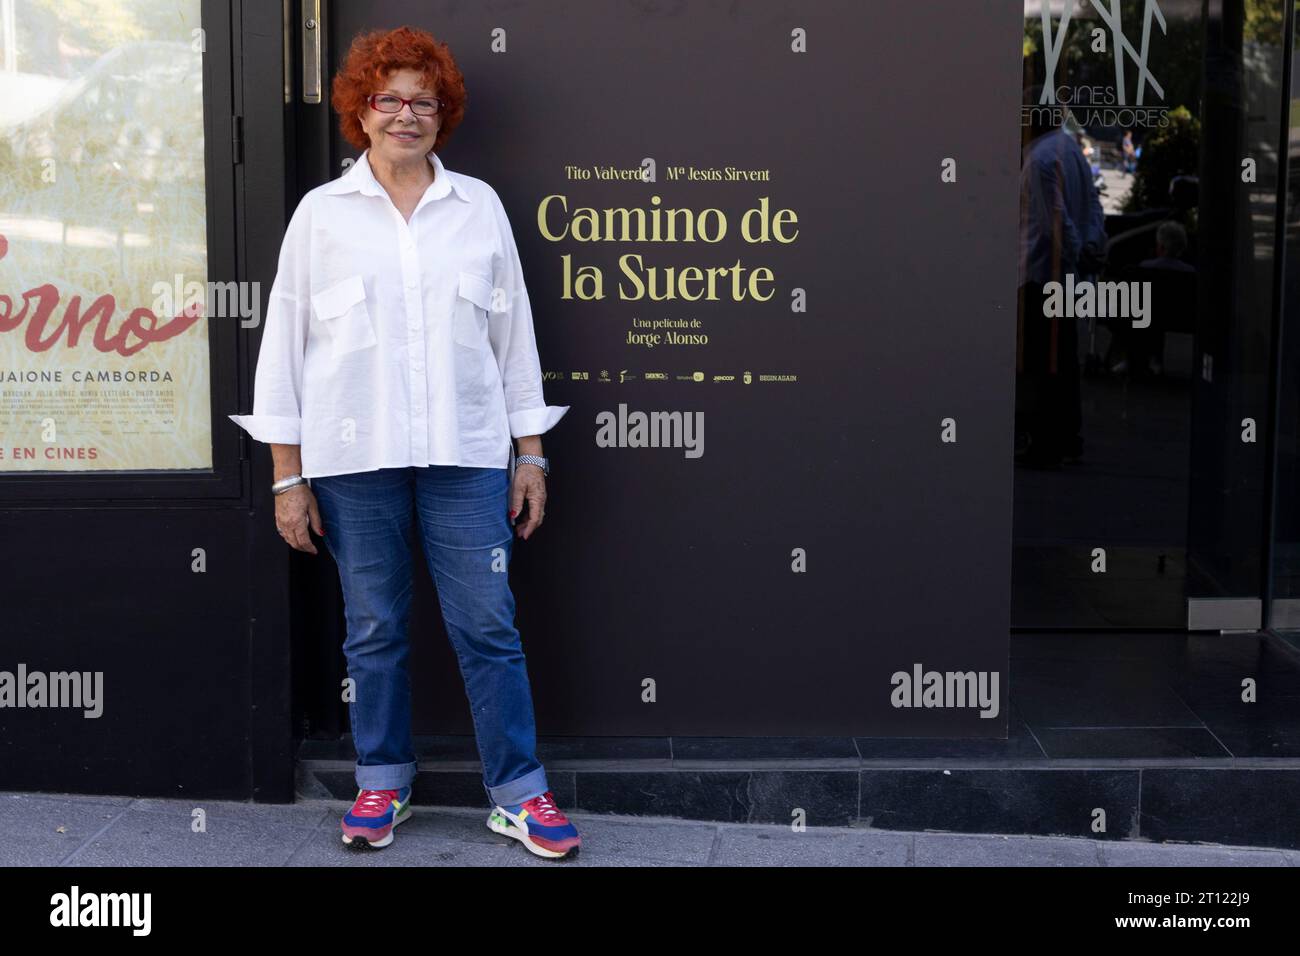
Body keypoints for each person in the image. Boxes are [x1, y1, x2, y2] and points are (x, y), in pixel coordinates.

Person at [228, 25, 580, 860]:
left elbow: (514, 338)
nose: (405, 116)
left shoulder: (479, 208)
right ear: (361, 108)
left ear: (442, 113)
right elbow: (283, 345)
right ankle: (382, 780)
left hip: (466, 456)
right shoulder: (321, 216)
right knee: (375, 630)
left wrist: (529, 454)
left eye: (424, 101)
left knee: (488, 625)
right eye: (388, 99)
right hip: (355, 464)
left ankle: (519, 794)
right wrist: (287, 477)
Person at [1016, 90, 1107, 467]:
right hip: (1067, 275)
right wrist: (1091, 247)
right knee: (1064, 359)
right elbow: (1092, 206)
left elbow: (1054, 219)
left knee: (1041, 360)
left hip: (1042, 273)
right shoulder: (1071, 150)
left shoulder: (1039, 159)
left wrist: (1075, 250)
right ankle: (1067, 435)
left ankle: (1046, 441)